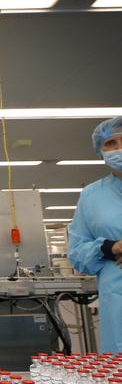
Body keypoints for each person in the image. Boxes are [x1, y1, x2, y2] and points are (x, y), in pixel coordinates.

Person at [68, 116, 122, 353]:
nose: (118, 149)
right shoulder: (92, 196)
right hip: (117, 295)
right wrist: (110, 247)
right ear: (100, 150)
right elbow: (77, 251)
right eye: (110, 143)